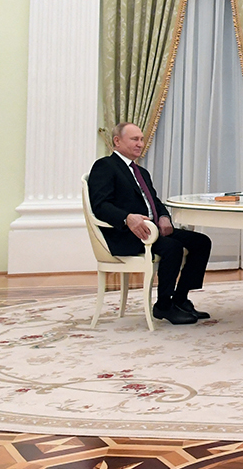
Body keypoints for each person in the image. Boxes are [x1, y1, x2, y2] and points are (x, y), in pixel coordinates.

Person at [87, 123, 213, 325]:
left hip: (151, 230)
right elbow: (100, 206)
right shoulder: (105, 166)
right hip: (127, 234)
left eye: (142, 139)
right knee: (173, 247)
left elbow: (153, 201)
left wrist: (164, 216)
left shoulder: (141, 172)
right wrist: (127, 217)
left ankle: (180, 299)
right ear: (117, 141)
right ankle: (163, 306)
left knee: (201, 242)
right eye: (134, 139)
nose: (140, 144)